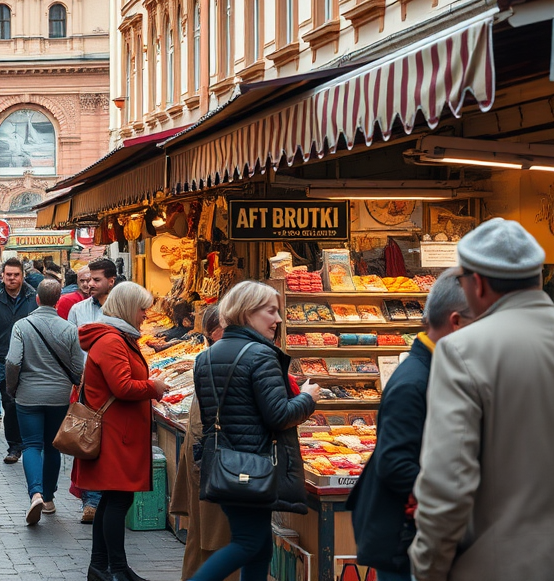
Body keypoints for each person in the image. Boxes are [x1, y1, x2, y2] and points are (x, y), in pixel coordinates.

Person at [410, 218, 554, 581]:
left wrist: (427, 570)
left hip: (502, 565)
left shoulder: (464, 350)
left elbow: (448, 482)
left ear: (478, 284)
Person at [347, 268, 473, 581]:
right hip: (403, 540)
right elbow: (394, 463)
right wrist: (455, 499)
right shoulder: (415, 381)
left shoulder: (434, 370)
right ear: (456, 322)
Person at [188, 280, 319, 581]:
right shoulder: (261, 355)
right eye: (271, 311)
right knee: (248, 543)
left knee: (259, 547)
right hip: (255, 466)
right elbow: (279, 415)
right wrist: (307, 398)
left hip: (224, 464)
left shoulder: (206, 357)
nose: (278, 320)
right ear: (247, 312)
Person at [76, 282, 168, 581]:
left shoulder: (116, 337)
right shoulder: (112, 341)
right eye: (142, 308)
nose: (145, 314)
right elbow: (123, 386)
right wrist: (153, 387)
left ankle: (103, 567)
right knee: (117, 500)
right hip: (116, 433)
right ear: (129, 307)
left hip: (120, 431)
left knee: (114, 500)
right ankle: (114, 569)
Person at [6, 278, 83, 526]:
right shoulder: (69, 329)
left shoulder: (22, 326)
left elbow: (13, 362)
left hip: (28, 395)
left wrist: (12, 388)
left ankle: (35, 493)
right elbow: (78, 367)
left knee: (30, 446)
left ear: (36, 299)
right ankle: (49, 499)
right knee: (53, 447)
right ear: (59, 300)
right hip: (59, 396)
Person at [170, 306, 236, 581]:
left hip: (206, 455)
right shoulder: (220, 360)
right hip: (216, 459)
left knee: (203, 538)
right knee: (214, 539)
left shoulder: (213, 358)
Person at [69, 257, 118, 522]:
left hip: (116, 385)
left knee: (111, 443)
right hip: (87, 385)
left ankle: (109, 496)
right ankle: (91, 501)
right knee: (88, 441)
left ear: (111, 281)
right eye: (87, 280)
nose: (90, 285)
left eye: (96, 280)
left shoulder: (121, 308)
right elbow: (72, 347)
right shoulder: (78, 310)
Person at [0, 257, 38, 461]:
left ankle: (32, 443)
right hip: (3, 360)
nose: (12, 278)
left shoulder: (34, 299)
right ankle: (14, 447)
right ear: (2, 276)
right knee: (9, 404)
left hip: (30, 361)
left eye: (16, 275)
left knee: (30, 403)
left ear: (22, 276)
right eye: (8, 275)